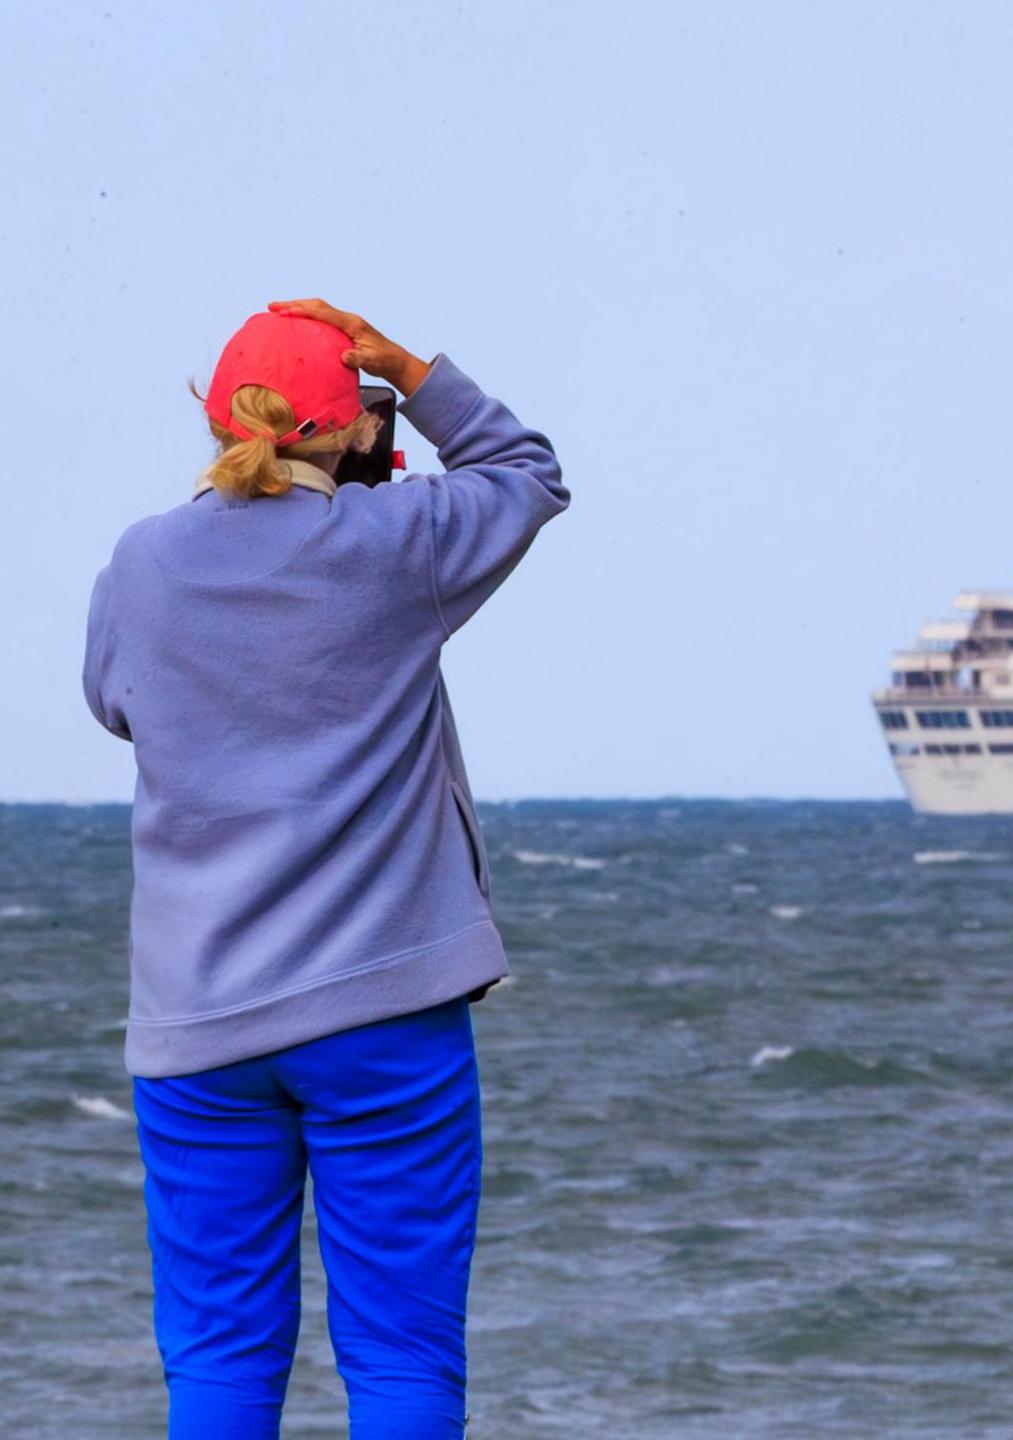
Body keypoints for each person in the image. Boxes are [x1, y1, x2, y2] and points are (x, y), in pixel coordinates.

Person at [82, 300, 569, 1439]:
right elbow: (527, 473)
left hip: (198, 1020)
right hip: (383, 1007)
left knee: (218, 1357)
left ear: (216, 420)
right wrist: (421, 374)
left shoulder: (142, 560)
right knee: (401, 1357)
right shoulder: (398, 544)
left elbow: (114, 704)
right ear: (355, 430)